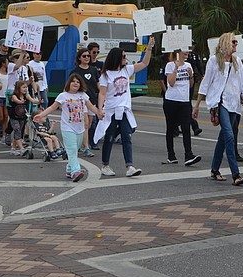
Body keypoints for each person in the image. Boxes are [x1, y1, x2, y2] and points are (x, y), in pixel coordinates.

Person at [193, 32, 243, 186]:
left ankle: (215, 170)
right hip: (219, 103)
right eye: (233, 42)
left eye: (236, 42)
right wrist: (197, 105)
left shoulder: (237, 62)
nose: (236, 45)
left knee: (223, 138)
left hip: (233, 104)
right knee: (229, 136)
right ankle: (236, 174)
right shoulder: (214, 61)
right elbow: (206, 84)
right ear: (225, 43)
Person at [94, 38, 155, 177]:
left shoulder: (127, 70)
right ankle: (105, 165)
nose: (126, 59)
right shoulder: (106, 75)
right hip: (111, 111)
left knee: (127, 137)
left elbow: (144, 63)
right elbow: (102, 93)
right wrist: (99, 109)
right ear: (116, 58)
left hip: (125, 110)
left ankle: (130, 166)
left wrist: (149, 47)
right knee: (109, 137)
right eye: (123, 56)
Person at [36, 73, 103, 182]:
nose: (75, 83)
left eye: (78, 82)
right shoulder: (63, 96)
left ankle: (69, 168)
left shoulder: (83, 95)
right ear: (69, 83)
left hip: (80, 128)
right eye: (73, 81)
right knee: (71, 150)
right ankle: (75, 171)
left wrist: (99, 113)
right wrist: (41, 115)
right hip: (67, 127)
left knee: (74, 150)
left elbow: (90, 106)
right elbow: (53, 107)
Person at [162, 49, 201, 166]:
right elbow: (171, 82)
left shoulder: (188, 65)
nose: (187, 53)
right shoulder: (170, 65)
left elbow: (191, 84)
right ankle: (171, 155)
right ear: (178, 52)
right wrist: (176, 68)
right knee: (171, 127)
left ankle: (188, 154)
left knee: (186, 127)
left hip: (184, 101)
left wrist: (190, 76)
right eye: (185, 51)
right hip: (171, 101)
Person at [72, 44, 103, 156]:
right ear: (79, 58)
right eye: (84, 56)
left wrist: (104, 94)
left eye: (88, 56)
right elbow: (70, 86)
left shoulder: (94, 70)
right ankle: (86, 147)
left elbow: (98, 84)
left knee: (88, 124)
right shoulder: (76, 71)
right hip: (80, 100)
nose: (87, 58)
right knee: (85, 123)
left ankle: (79, 143)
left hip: (92, 99)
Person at [9, 80, 36, 156]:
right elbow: (16, 101)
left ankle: (13, 149)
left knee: (19, 132)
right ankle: (21, 149)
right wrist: (21, 102)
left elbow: (33, 100)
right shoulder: (14, 96)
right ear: (18, 88)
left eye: (26, 87)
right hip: (14, 117)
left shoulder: (26, 95)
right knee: (17, 130)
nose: (25, 89)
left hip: (22, 117)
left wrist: (39, 101)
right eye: (23, 87)